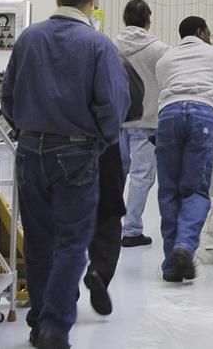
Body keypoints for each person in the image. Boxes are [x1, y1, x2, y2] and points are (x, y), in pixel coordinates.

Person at [2, 0, 129, 349]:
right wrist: (103, 141)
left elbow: (8, 95)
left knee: (38, 242)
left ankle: (39, 321)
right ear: (92, 0)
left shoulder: (29, 38)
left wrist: (25, 130)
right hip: (76, 151)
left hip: (30, 150)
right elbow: (112, 103)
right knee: (72, 243)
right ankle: (54, 328)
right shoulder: (97, 44)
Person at [154, 16, 213, 282]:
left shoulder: (165, 59)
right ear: (201, 32)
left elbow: (164, 91)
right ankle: (184, 247)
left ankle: (171, 266)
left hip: (168, 117)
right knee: (195, 191)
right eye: (209, 32)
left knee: (169, 191)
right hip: (202, 114)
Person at [83, 51, 144, 316]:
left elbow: (11, 96)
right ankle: (99, 270)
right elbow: (134, 99)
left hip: (52, 143)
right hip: (102, 144)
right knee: (108, 215)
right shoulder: (106, 53)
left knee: (61, 221)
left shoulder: (36, 45)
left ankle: (63, 291)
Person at [114, 0, 169, 248]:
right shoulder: (159, 50)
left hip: (117, 120)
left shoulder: (111, 45)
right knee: (141, 177)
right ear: (149, 20)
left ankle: (109, 227)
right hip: (147, 121)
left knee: (117, 175)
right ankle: (132, 230)